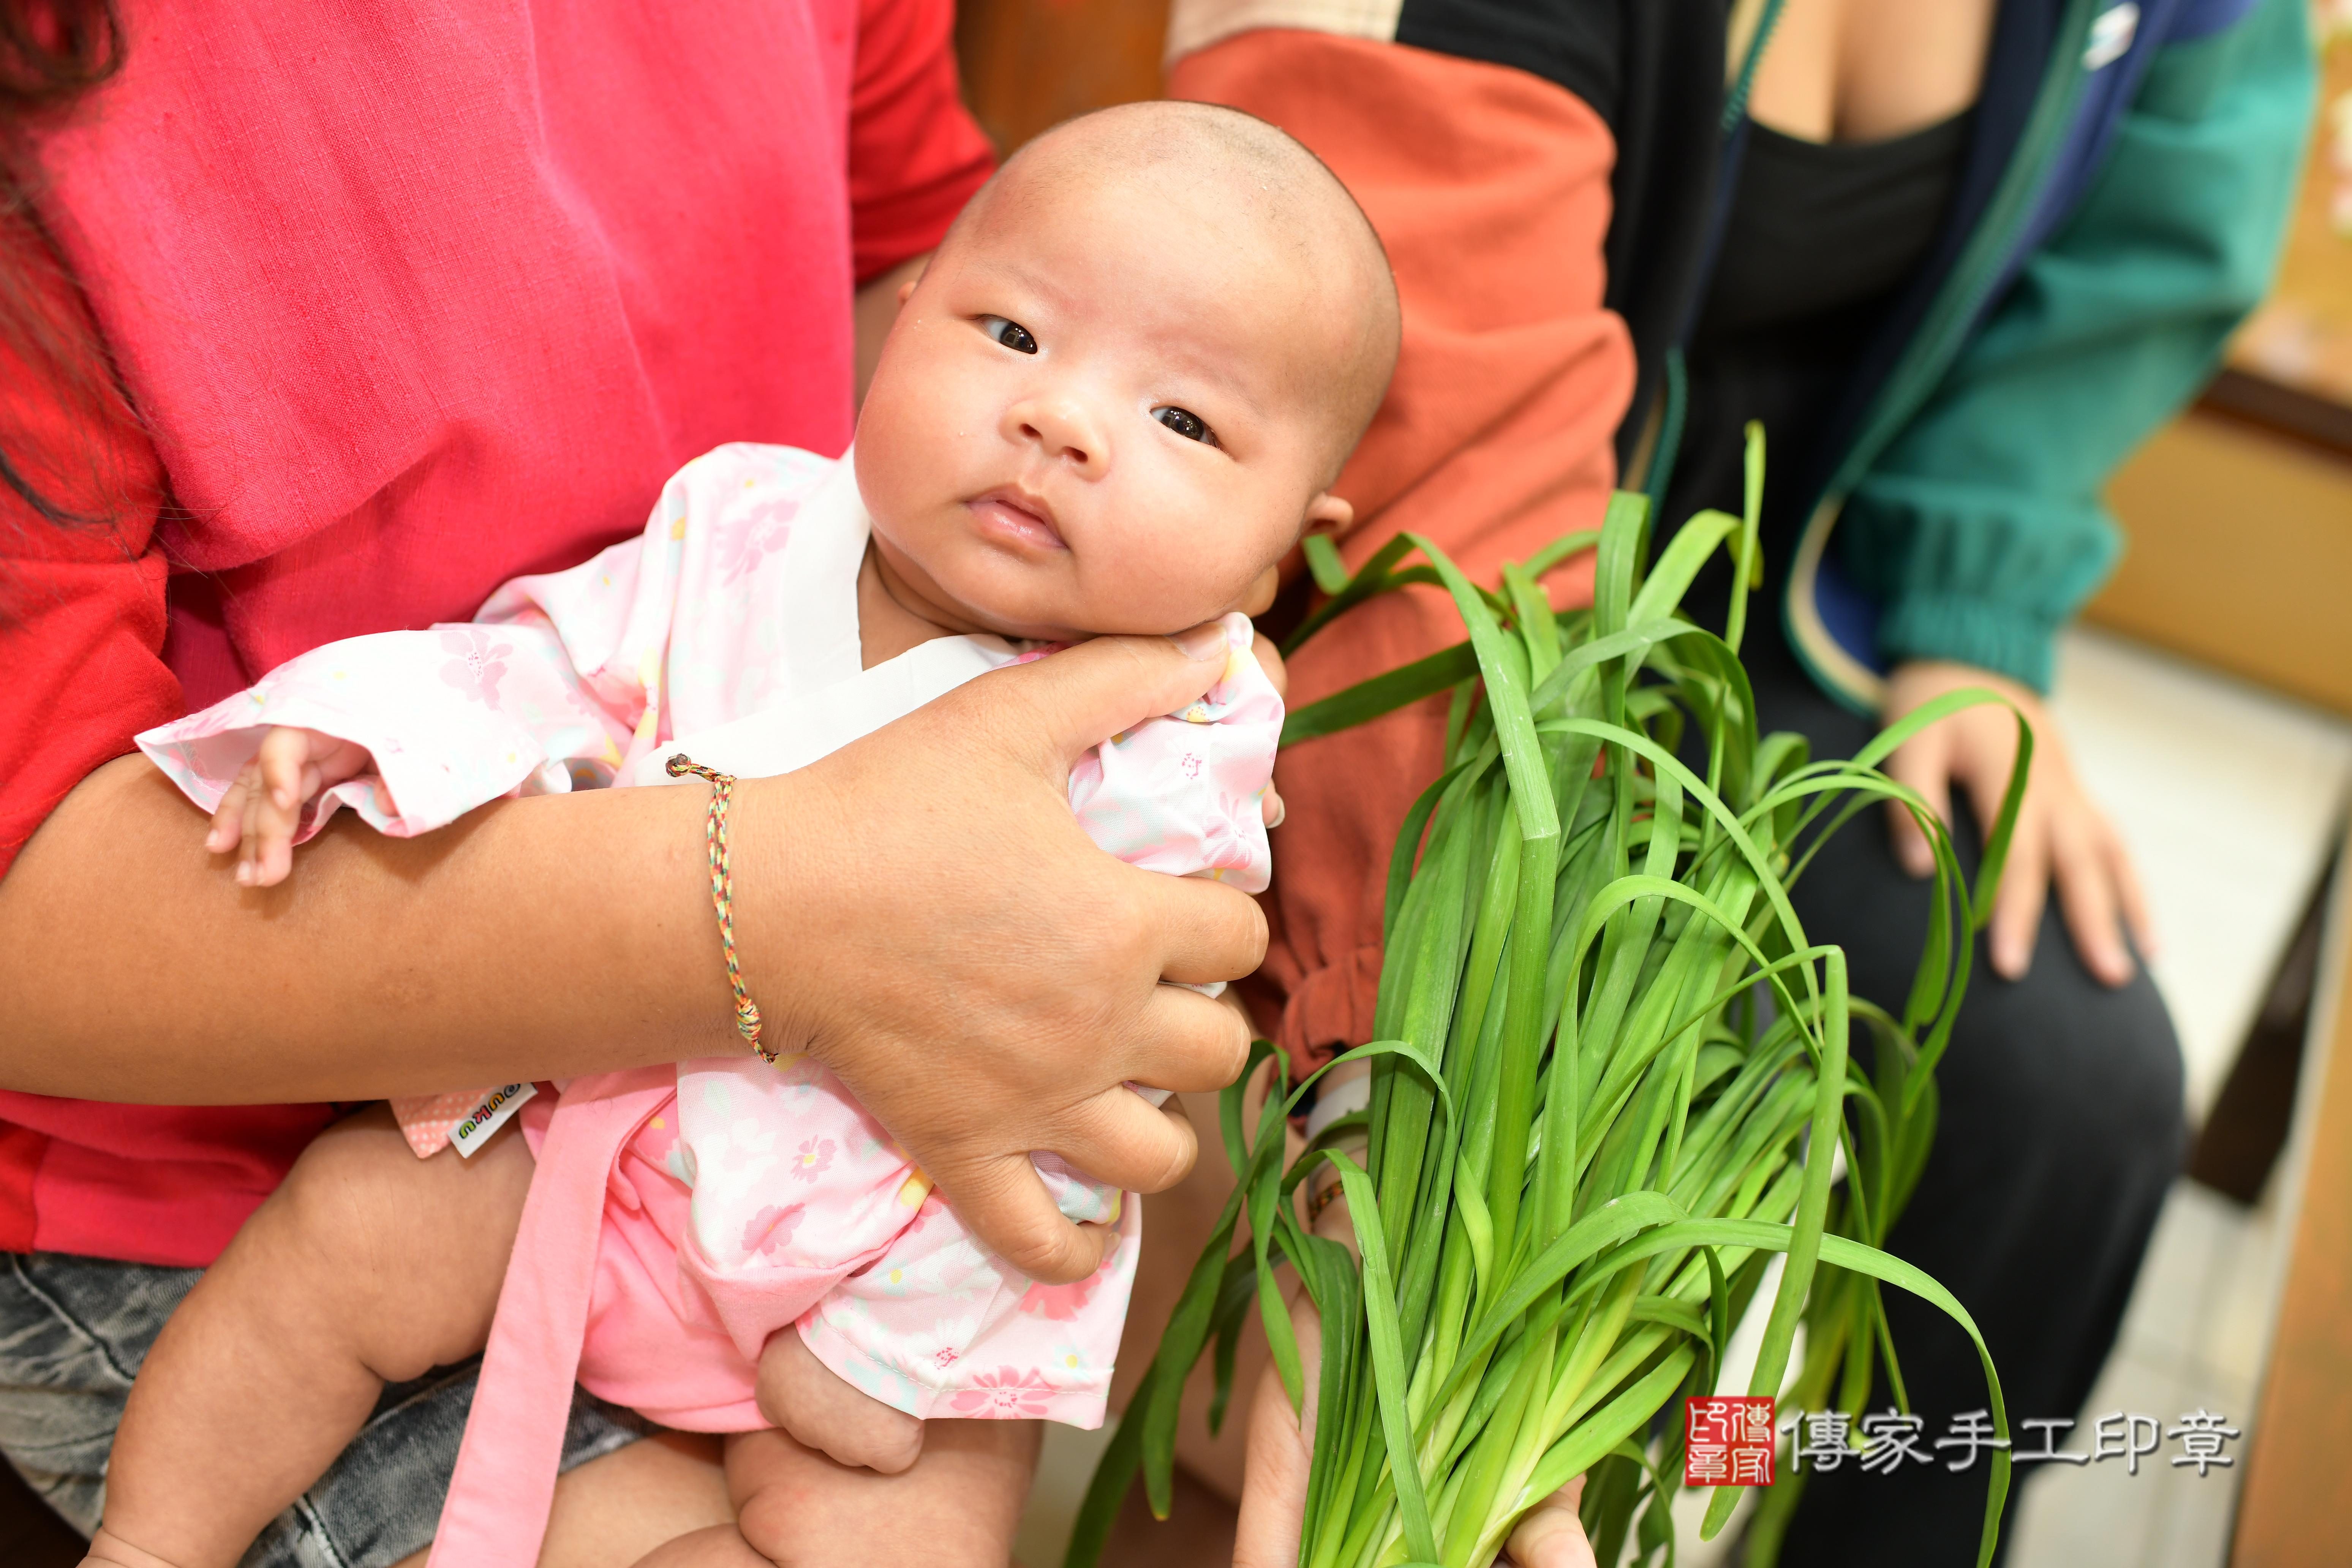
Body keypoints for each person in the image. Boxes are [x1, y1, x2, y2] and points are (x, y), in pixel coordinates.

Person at [0, 4, 1276, 1559]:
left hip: (876, 1240)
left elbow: (1136, 995)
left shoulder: (1200, 713)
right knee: (343, 1250)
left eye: (1184, 421)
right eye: (1013, 341)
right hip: (477, 1120)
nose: (1056, 418)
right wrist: (358, 732)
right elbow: (533, 664)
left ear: (1288, 536)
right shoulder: (736, 533)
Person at [1163, 0, 2311, 1562]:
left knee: (2071, 1089)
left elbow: (2126, 274)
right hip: (1444, 629)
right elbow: (1455, 503)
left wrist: (1970, 612)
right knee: (1527, 1228)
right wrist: (1399, 1058)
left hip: (1798, 648)